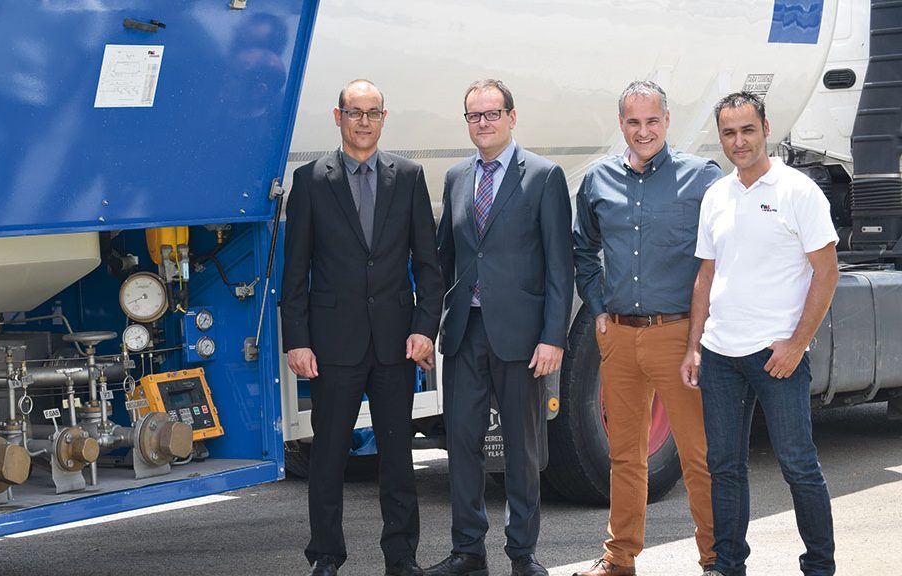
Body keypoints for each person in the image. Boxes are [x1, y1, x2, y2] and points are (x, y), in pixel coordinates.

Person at [281, 79, 444, 576]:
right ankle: (326, 556)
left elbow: (428, 263)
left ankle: (401, 558)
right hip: (334, 344)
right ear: (338, 117)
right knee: (327, 459)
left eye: (373, 112)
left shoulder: (409, 176)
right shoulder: (310, 181)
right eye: (355, 112)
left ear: (383, 116)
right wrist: (298, 341)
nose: (364, 121)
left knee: (398, 459)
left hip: (396, 341)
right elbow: (295, 270)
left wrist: (424, 328)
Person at [680, 92, 838, 576]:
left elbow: (826, 272)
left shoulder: (798, 191)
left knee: (798, 466)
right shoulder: (716, 195)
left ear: (765, 127)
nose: (738, 141)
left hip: (776, 356)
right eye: (729, 132)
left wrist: (796, 344)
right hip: (720, 354)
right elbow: (706, 275)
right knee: (725, 468)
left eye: (747, 130)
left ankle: (819, 567)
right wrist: (694, 345)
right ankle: (728, 566)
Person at [571, 80, 723, 576]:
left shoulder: (701, 179)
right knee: (625, 457)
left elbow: (721, 258)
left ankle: (716, 559)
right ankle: (619, 559)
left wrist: (701, 337)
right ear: (621, 124)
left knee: (698, 458)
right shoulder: (597, 181)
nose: (643, 131)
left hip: (678, 338)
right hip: (617, 336)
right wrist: (596, 309)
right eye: (633, 122)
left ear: (667, 121)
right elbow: (583, 250)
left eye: (652, 121)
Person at [426, 79, 573, 576]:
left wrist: (554, 336)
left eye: (492, 114)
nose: (483, 123)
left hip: (523, 337)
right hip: (466, 332)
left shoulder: (544, 176)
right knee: (462, 446)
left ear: (512, 116)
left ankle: (522, 554)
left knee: (522, 449)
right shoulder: (455, 177)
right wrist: (433, 325)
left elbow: (560, 266)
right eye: (474, 116)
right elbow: (445, 259)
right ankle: (468, 551)